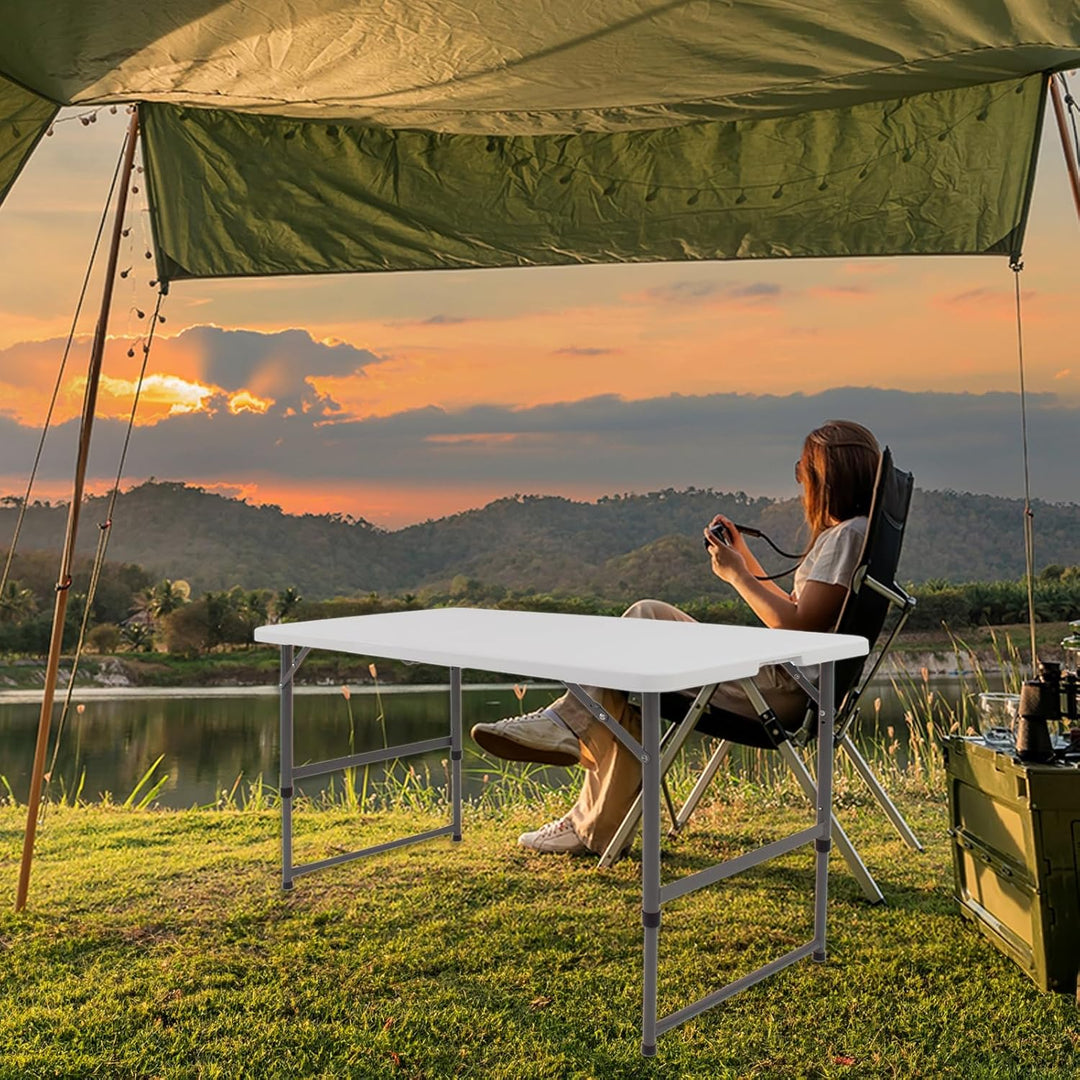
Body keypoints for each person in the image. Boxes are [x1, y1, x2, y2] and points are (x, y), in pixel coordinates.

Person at [470, 420, 881, 854]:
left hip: (780, 690)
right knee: (646, 618)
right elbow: (801, 613)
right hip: (784, 681)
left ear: (827, 476)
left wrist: (738, 577)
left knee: (627, 666)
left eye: (803, 471)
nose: (800, 482)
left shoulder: (845, 536)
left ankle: (574, 760)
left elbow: (800, 627)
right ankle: (578, 768)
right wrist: (744, 561)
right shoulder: (856, 533)